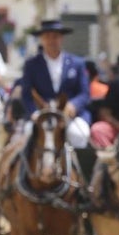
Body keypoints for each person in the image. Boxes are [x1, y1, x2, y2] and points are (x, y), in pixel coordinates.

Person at [17, 19, 91, 149]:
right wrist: (34, 113)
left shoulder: (77, 63)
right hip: (42, 115)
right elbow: (26, 94)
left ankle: (78, 169)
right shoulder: (32, 65)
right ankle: (25, 169)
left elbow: (84, 93)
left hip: (70, 116)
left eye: (55, 36)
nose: (51, 41)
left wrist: (73, 105)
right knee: (28, 134)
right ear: (41, 39)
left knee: (79, 134)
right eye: (47, 37)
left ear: (61, 38)